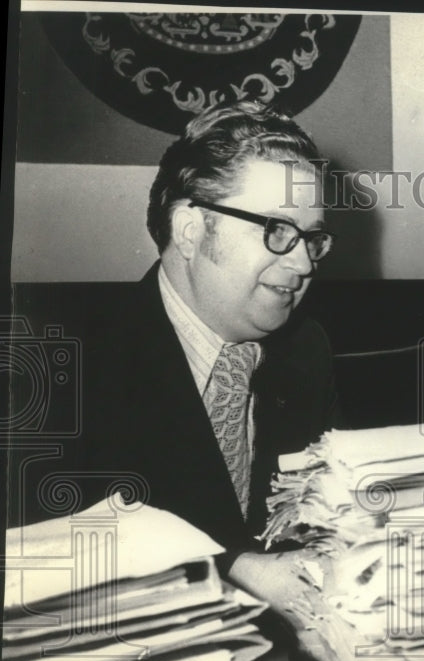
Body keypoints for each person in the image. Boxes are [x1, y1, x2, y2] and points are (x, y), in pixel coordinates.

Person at [28, 101, 341, 587]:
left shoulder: (308, 350)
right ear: (191, 231)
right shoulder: (62, 363)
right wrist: (234, 570)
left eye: (312, 238)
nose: (304, 264)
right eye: (277, 230)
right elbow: (45, 557)